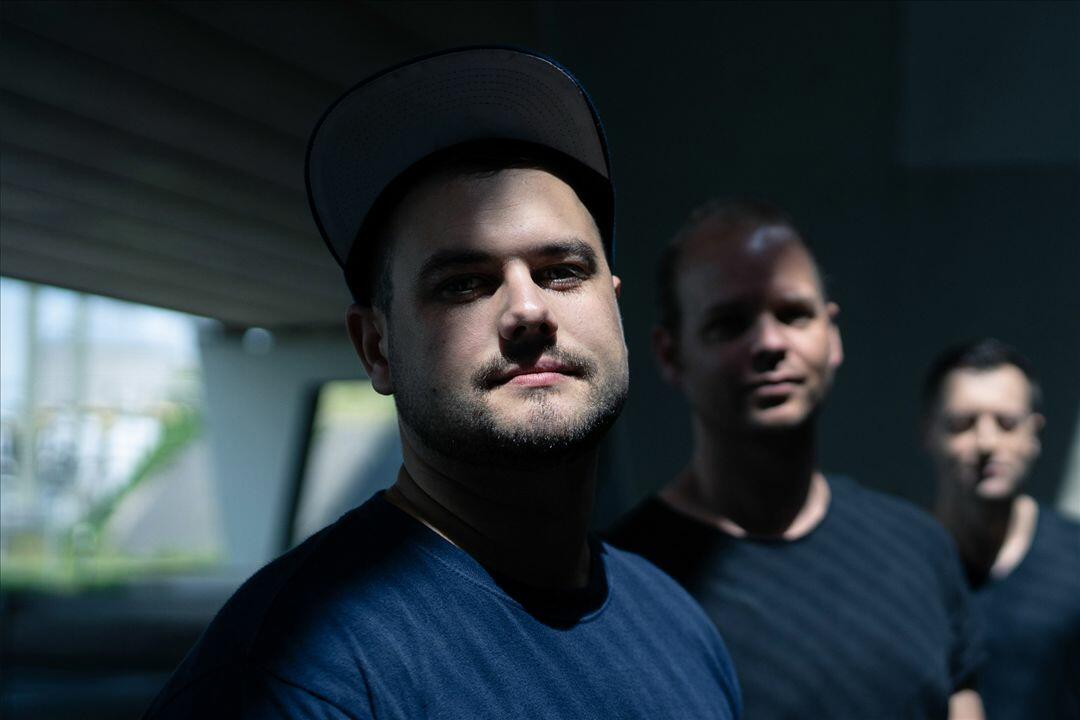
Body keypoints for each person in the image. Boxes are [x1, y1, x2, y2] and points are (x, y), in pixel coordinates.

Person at [142, 48, 741, 719]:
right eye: (464, 284)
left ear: (615, 307)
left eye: (562, 272)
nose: (528, 310)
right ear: (377, 348)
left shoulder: (679, 623)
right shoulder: (295, 677)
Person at [608, 198, 983, 719]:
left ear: (832, 335)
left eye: (793, 314)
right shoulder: (620, 587)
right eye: (730, 323)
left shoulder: (921, 548)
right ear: (671, 355)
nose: (769, 342)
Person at [923, 338, 1080, 719]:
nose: (986, 442)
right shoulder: (903, 566)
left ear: (1034, 434)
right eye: (963, 424)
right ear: (930, 432)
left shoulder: (1074, 557)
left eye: (1006, 423)